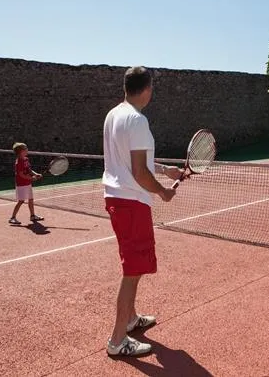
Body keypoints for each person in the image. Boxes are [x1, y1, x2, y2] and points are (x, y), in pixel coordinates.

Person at [103, 66, 183, 357]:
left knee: (134, 268)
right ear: (147, 88)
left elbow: (136, 160)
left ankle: (131, 319)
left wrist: (164, 169)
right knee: (132, 270)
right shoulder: (137, 120)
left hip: (118, 198)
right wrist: (163, 191)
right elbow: (138, 171)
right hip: (131, 202)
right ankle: (116, 340)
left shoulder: (114, 114)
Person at [8, 142, 43, 225]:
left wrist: (35, 174)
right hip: (21, 184)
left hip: (27, 183)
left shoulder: (26, 159)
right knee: (21, 201)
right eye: (25, 148)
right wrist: (32, 178)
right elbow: (21, 174)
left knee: (31, 199)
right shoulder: (18, 162)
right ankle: (12, 218)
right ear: (21, 151)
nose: (27, 149)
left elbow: (29, 170)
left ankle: (32, 216)